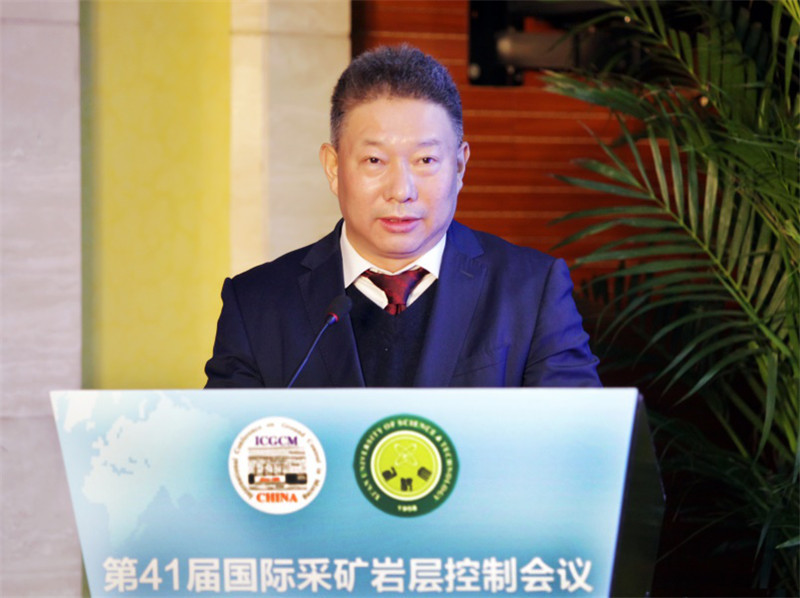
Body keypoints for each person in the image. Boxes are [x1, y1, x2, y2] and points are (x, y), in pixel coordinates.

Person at [205, 45, 601, 388]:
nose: (401, 190)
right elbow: (226, 445)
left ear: (459, 166)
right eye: (374, 160)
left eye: (426, 160)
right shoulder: (258, 303)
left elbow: (580, 441)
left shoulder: (531, 291)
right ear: (333, 167)